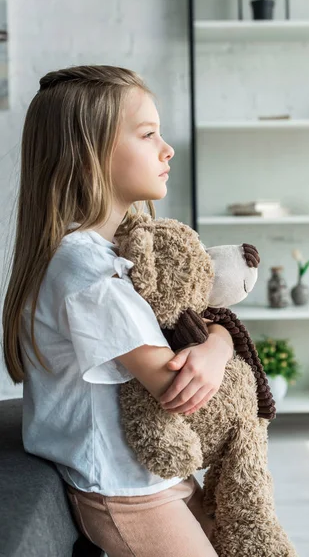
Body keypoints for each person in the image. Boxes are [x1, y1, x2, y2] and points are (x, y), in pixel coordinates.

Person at [1, 65, 234, 557]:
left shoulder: (110, 256)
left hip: (153, 474)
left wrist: (220, 341)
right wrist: (216, 348)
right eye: (148, 135)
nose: (167, 149)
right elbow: (176, 385)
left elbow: (184, 322)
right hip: (126, 492)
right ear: (88, 156)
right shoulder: (87, 275)